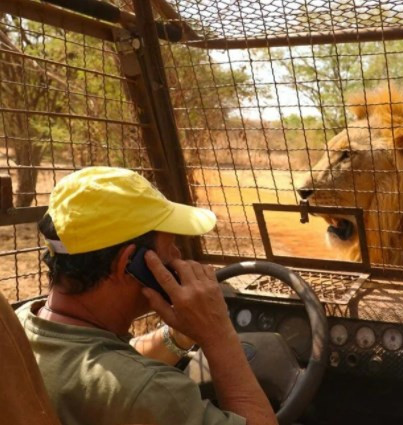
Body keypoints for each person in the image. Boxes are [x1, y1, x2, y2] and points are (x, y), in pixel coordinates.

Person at [16, 166, 277, 425]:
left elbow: (108, 363)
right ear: (129, 263)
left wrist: (178, 337)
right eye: (171, 244)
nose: (176, 255)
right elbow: (130, 383)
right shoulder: (152, 393)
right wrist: (218, 335)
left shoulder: (17, 327)